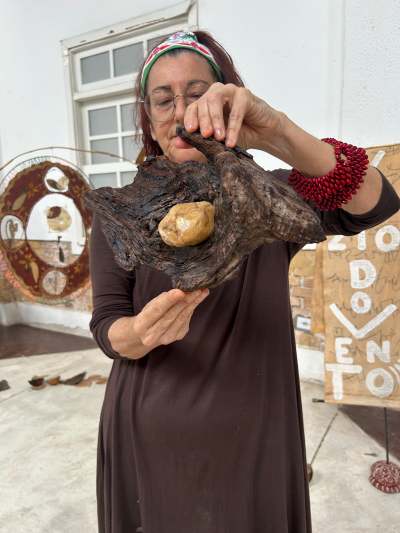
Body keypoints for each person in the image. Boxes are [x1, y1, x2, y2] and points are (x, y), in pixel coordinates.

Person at [89, 30, 400, 533]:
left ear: (225, 99)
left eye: (197, 94)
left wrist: (275, 131)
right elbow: (107, 325)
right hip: (148, 434)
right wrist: (137, 335)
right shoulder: (121, 211)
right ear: (148, 116)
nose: (181, 111)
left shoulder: (263, 194)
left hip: (255, 431)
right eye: (164, 100)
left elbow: (375, 202)